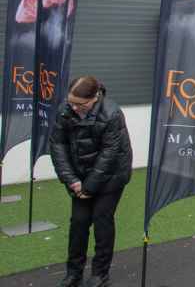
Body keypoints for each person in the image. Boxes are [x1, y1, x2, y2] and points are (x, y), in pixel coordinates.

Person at [50, 76, 133, 287]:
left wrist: (89, 187)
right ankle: (73, 273)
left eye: (80, 104)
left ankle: (100, 274)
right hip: (80, 177)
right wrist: (72, 181)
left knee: (101, 220)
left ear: (95, 97)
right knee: (79, 222)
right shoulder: (64, 110)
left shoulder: (112, 114)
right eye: (71, 102)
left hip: (111, 176)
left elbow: (109, 154)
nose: (74, 108)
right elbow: (58, 146)